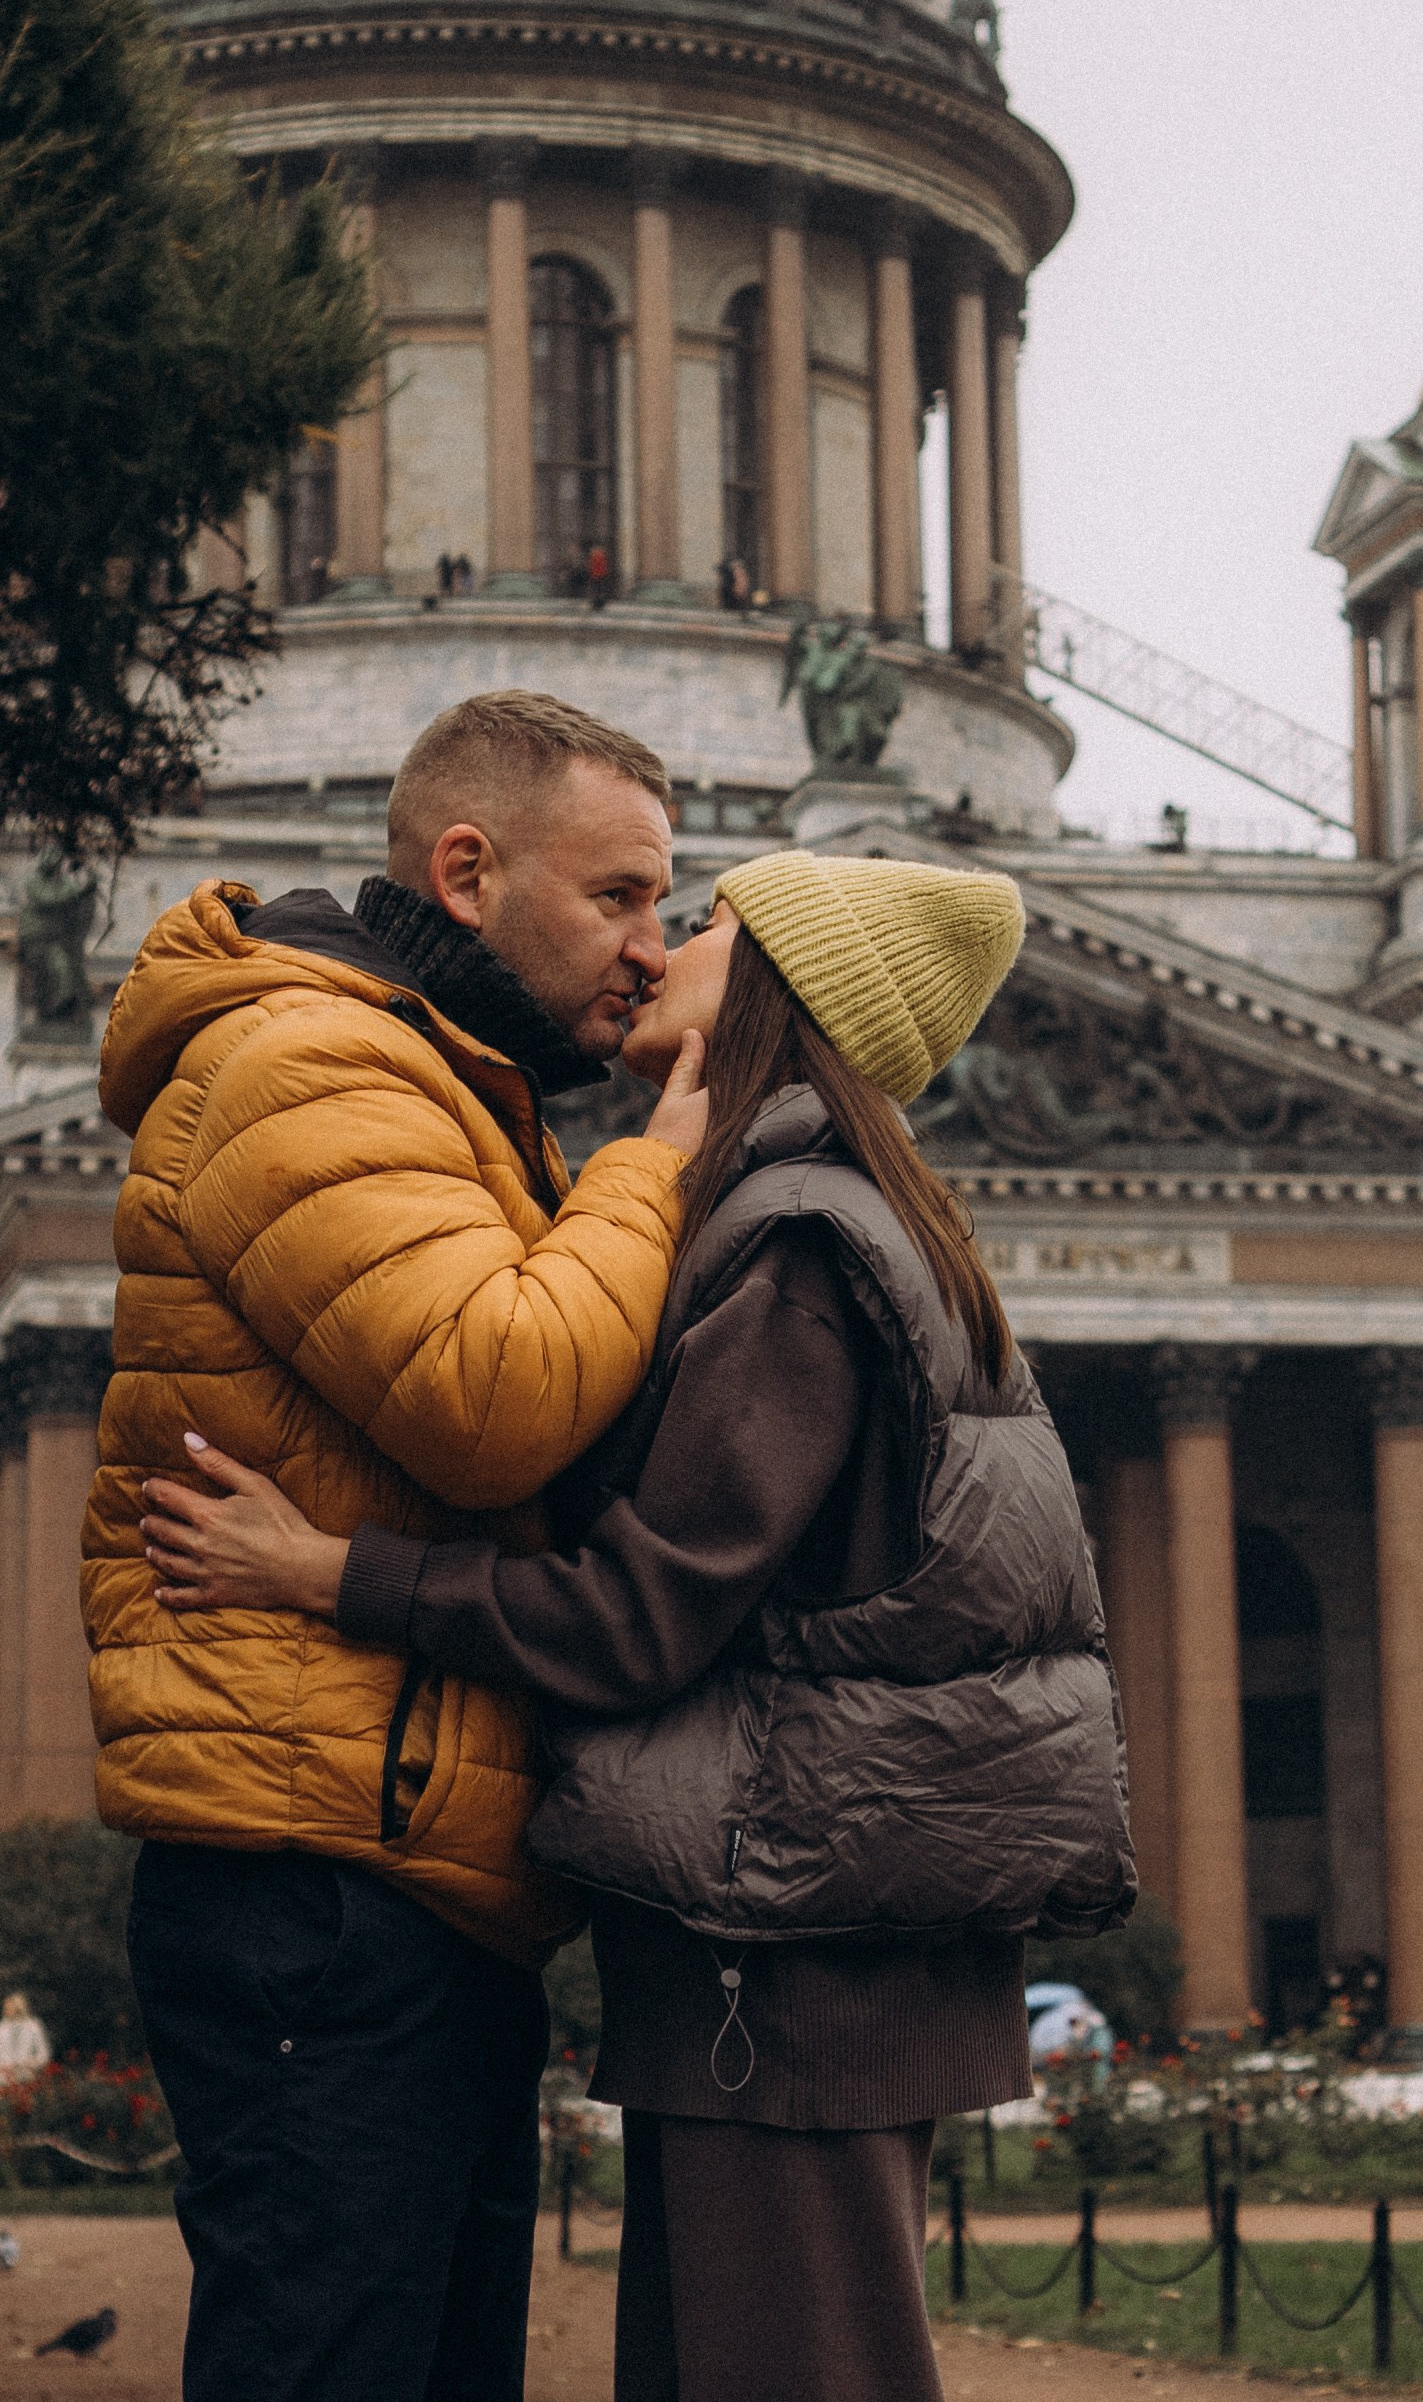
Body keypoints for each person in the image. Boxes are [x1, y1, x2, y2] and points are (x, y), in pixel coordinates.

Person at [142, 851, 1137, 2402]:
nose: (663, 947)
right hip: (786, 1946)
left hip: (782, 1964)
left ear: (785, 988)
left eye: (713, 923)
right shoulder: (823, 1216)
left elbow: (636, 1615)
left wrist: (333, 1572)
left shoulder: (793, 1247)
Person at [86, 691, 710, 2402]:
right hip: (323, 1874)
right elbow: (495, 1396)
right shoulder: (313, 1060)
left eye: (665, 907)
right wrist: (657, 1166)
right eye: (619, 897)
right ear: (467, 871)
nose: (653, 953)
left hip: (402, 1854)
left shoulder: (445, 1081)